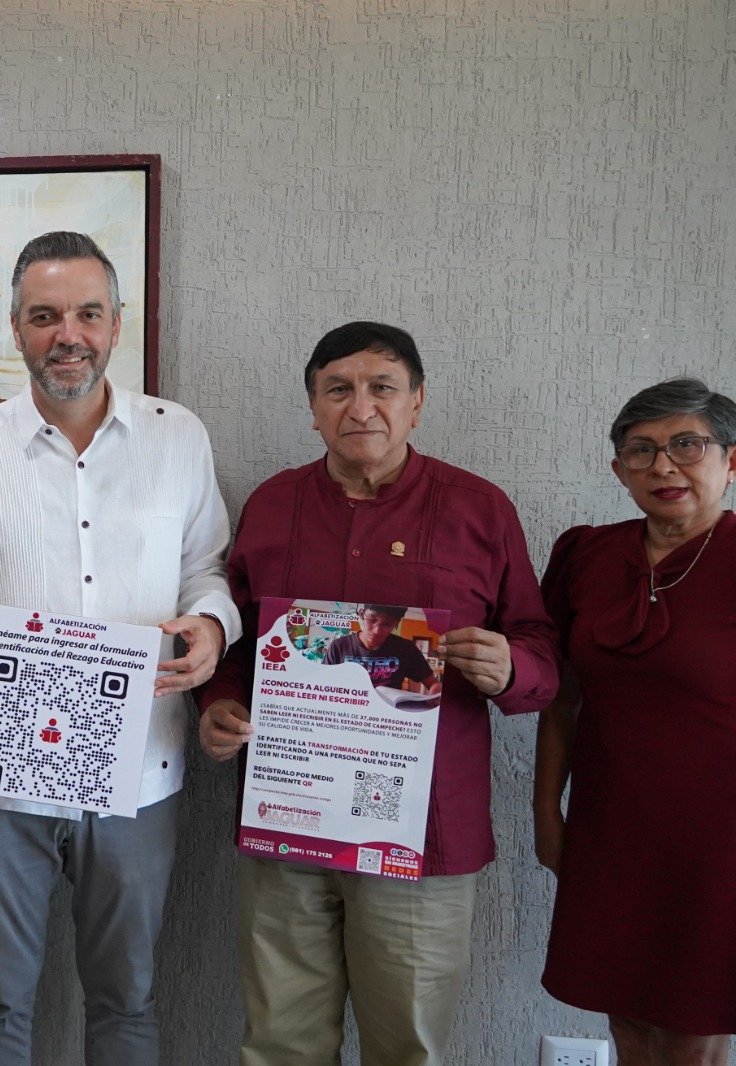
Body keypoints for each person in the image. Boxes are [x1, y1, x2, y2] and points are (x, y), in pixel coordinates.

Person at [0, 231, 240, 1065]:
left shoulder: (178, 437)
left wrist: (211, 626)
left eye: (87, 313)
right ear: (16, 328)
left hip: (140, 768)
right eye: (45, 316)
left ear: (117, 323)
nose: (67, 335)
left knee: (126, 1001)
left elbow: (208, 570)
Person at [198, 321, 560, 1066]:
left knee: (407, 1049)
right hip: (289, 818)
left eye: (382, 387)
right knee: (280, 1044)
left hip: (421, 835)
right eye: (338, 389)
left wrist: (510, 666)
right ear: (314, 408)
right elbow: (236, 638)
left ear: (417, 401)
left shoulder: (478, 508)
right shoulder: (272, 504)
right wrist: (218, 707)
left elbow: (540, 650)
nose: (360, 407)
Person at [533, 378, 736, 1066]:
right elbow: (562, 698)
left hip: (717, 839)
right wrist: (547, 814)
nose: (664, 466)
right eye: (641, 451)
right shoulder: (587, 555)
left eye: (687, 445)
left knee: (692, 1033)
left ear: (730, 461)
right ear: (619, 471)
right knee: (625, 1019)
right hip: (611, 825)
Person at [323, 603, 441, 694]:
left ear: (397, 623)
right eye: (372, 620)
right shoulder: (339, 646)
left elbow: (433, 684)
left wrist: (436, 692)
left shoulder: (406, 649)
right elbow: (322, 685)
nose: (377, 631)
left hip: (388, 715)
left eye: (387, 624)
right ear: (362, 614)